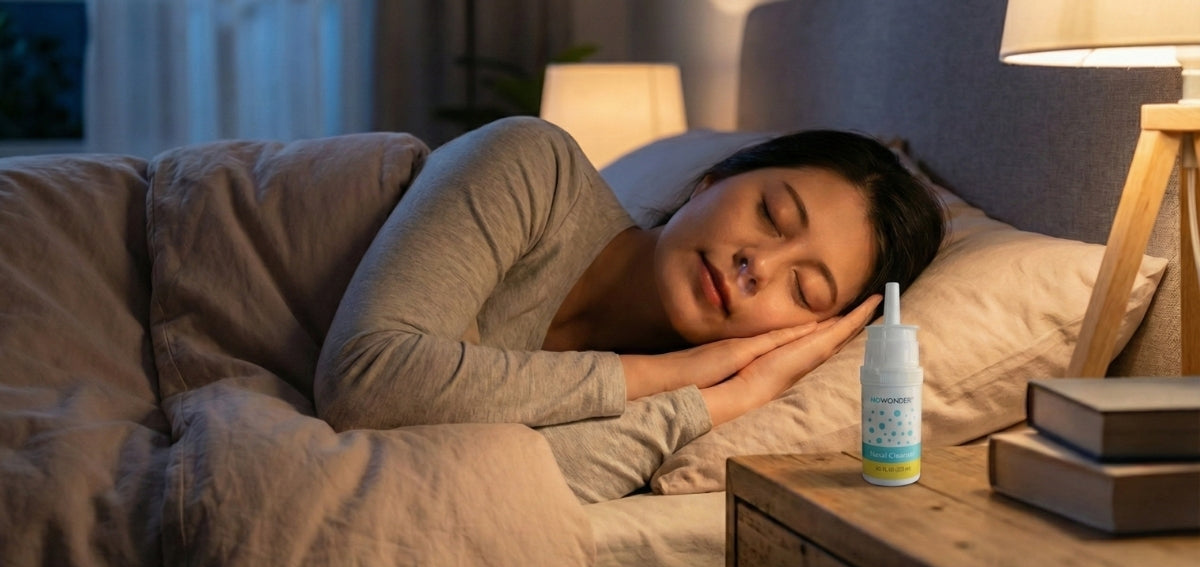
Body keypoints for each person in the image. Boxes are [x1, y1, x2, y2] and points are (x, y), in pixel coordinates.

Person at [314, 116, 945, 502]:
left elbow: (503, 485)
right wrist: (681, 372)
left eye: (804, 292)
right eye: (770, 214)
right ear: (714, 179)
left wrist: (727, 398)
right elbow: (364, 386)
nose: (759, 266)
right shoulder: (533, 164)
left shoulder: (672, 419)